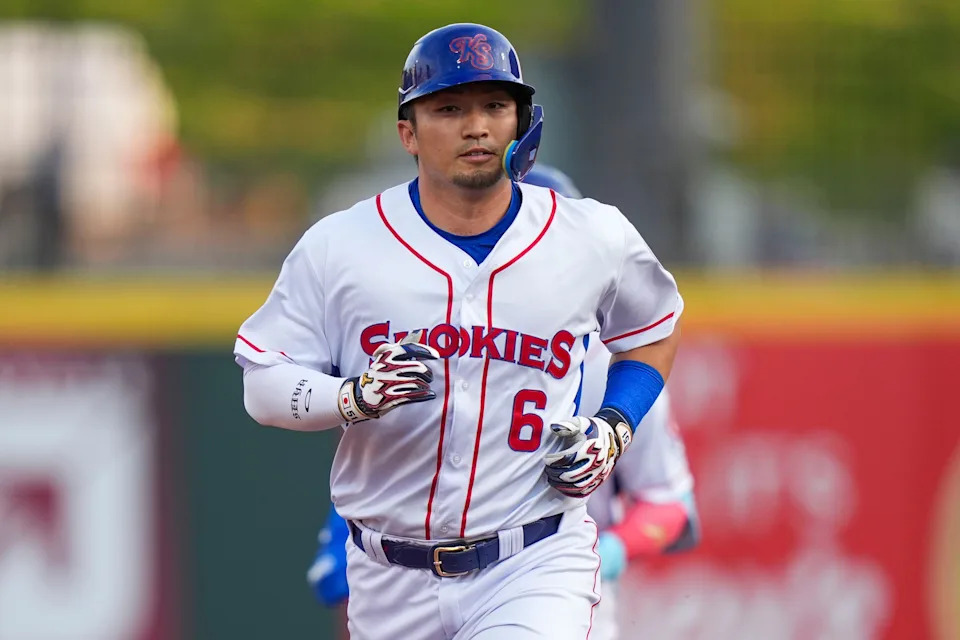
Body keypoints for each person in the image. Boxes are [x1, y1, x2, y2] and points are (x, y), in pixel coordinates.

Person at [235, 23, 683, 639]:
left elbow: (654, 329)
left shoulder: (590, 235)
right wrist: (351, 397)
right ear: (408, 132)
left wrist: (615, 423)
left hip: (535, 558)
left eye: (495, 106)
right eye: (449, 109)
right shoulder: (340, 247)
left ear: (522, 120)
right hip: (389, 573)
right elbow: (262, 384)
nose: (476, 126)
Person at [305, 165, 699, 639]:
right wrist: (348, 537)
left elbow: (673, 505)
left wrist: (612, 547)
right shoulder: (436, 346)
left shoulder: (612, 369)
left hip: (555, 582)